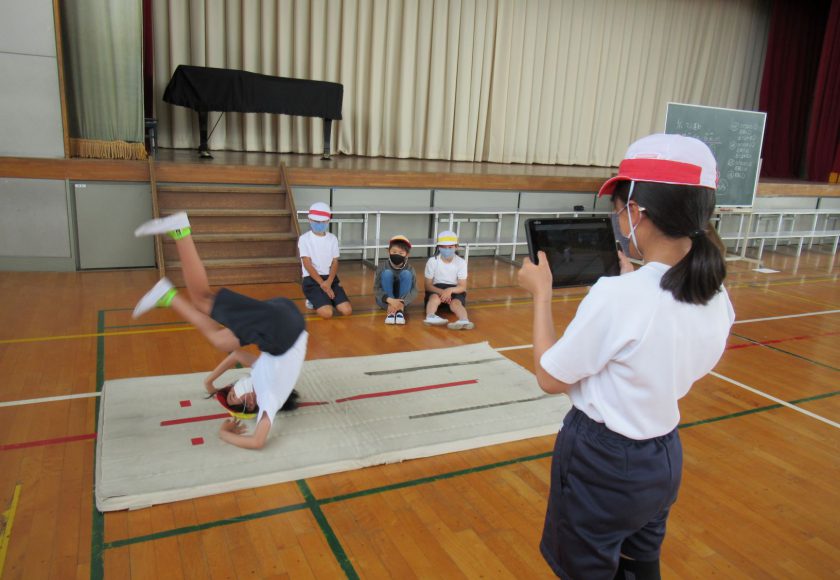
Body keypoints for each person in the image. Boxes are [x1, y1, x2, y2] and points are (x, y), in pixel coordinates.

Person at [518, 134, 735, 579]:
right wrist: (634, 280)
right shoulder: (716, 292)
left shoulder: (618, 297)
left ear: (637, 212)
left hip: (602, 463)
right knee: (640, 566)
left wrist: (541, 294)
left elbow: (548, 376)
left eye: (619, 208)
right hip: (662, 457)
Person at [132, 211, 308, 450]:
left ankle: (168, 296)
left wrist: (210, 383)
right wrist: (224, 432)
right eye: (235, 398)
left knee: (221, 341)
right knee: (203, 299)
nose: (234, 391)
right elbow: (257, 442)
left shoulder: (260, 376)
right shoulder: (270, 399)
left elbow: (235, 356)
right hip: (283, 329)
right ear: (250, 405)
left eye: (231, 392)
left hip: (281, 326)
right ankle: (181, 232)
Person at [298, 202, 352, 319]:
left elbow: (335, 262)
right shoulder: (304, 239)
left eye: (323, 222)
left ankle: (326, 298)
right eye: (316, 221)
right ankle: (313, 300)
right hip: (312, 280)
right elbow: (307, 264)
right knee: (328, 314)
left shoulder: (332, 239)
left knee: (346, 310)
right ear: (309, 220)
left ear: (328, 221)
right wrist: (322, 284)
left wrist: (328, 282)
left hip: (330, 278)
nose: (319, 224)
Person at [423, 231, 474, 330]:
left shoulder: (461, 262)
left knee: (456, 303)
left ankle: (464, 320)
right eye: (443, 247)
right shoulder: (432, 261)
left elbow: (462, 286)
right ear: (438, 247)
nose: (447, 250)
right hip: (437, 289)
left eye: (450, 247)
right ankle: (430, 316)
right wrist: (443, 292)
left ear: (456, 246)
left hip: (454, 290)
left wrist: (450, 290)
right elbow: (428, 285)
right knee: (434, 298)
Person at [372, 234, 418, 325]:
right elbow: (376, 288)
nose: (397, 255)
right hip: (385, 301)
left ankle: (399, 310)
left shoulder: (410, 268)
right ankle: (392, 311)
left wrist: (402, 302)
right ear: (388, 251)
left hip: (403, 303)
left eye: (401, 253)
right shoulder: (382, 266)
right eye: (394, 252)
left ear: (407, 254)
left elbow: (414, 290)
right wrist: (390, 300)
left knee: (406, 274)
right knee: (387, 273)